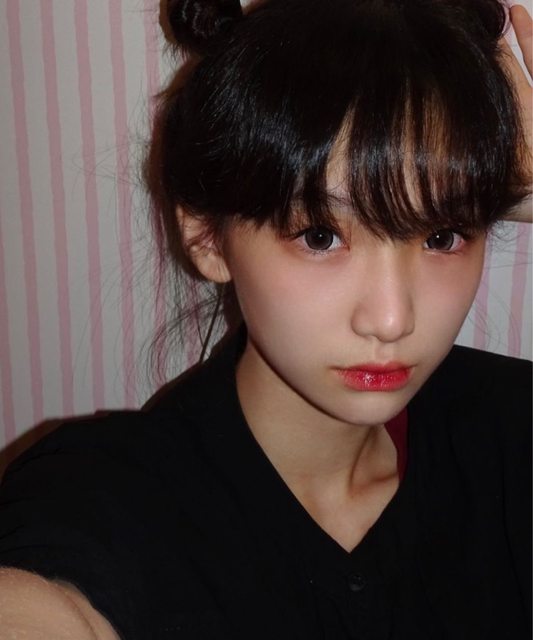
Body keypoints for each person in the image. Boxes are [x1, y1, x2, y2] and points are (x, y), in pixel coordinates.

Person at [0, 0, 531, 638]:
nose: (391, 320)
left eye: (443, 237)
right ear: (207, 237)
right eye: (319, 236)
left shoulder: (511, 426)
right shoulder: (106, 495)